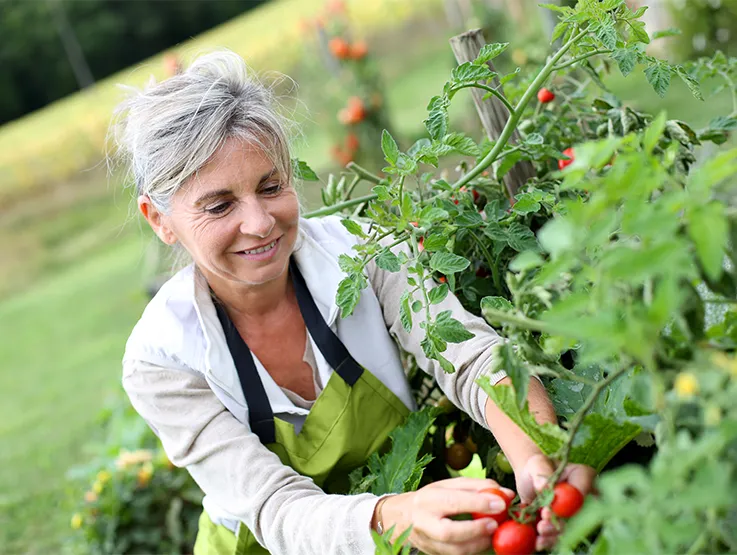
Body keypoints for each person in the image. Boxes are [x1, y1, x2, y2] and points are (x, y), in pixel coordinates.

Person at [116, 50, 595, 555]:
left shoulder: (365, 252)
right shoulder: (162, 359)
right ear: (160, 220)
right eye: (219, 205)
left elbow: (472, 359)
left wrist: (538, 450)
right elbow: (275, 508)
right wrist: (396, 515)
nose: (259, 223)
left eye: (272, 186)